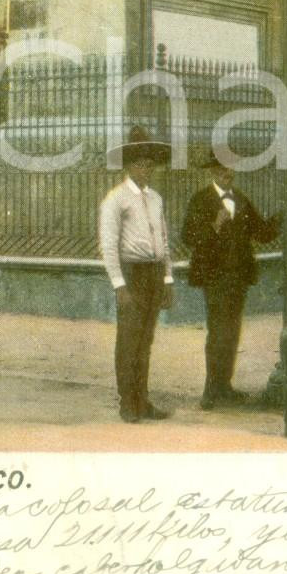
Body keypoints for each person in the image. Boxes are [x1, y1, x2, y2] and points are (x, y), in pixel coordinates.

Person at [182, 151, 280, 410]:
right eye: (223, 169)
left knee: (232, 331)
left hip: (238, 278)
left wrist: (283, 216)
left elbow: (262, 233)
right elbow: (187, 236)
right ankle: (210, 390)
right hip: (214, 278)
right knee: (218, 332)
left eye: (232, 169)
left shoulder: (241, 200)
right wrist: (214, 225)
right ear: (213, 172)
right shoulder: (201, 200)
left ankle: (224, 386)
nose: (229, 174)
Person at [99, 125, 173, 423]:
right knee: (129, 340)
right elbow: (107, 245)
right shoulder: (115, 200)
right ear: (129, 166)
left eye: (150, 164)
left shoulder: (155, 199)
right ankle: (127, 402)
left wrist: (168, 278)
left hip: (154, 273)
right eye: (141, 164)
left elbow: (164, 240)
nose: (147, 169)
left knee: (146, 340)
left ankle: (143, 401)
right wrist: (119, 285)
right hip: (131, 274)